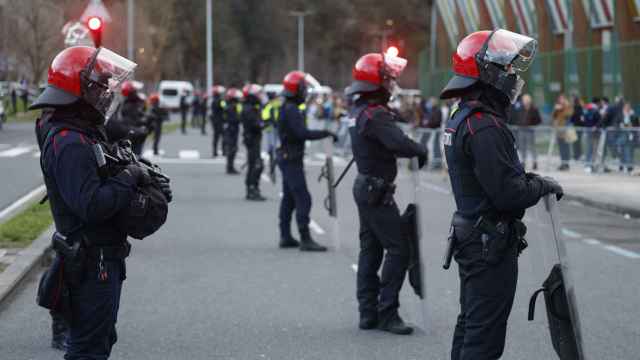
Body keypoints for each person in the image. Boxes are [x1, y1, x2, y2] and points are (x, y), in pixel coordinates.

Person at [439, 29, 564, 359]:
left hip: (473, 234)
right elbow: (508, 194)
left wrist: (530, 179)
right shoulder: (484, 124)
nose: (512, 76)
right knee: (483, 335)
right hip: (486, 240)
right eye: (507, 68)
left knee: (471, 323)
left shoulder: (464, 116)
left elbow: (497, 177)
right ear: (487, 71)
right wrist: (542, 186)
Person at [29, 45, 146, 360]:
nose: (106, 92)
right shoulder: (70, 141)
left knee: (98, 342)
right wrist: (130, 177)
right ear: (78, 89)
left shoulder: (82, 132)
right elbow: (91, 205)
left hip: (101, 259)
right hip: (92, 262)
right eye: (100, 85)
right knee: (87, 352)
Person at [346, 52, 428, 335]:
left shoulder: (359, 110)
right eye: (388, 78)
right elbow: (399, 143)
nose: (391, 82)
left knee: (371, 251)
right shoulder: (376, 114)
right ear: (376, 82)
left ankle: (367, 313)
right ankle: (387, 313)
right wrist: (420, 150)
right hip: (375, 190)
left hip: (366, 187)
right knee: (399, 249)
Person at [277, 71, 336, 251]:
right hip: (291, 159)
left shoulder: (288, 107)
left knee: (289, 198)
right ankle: (305, 238)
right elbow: (302, 134)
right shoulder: (292, 110)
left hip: (288, 156)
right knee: (303, 198)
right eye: (303, 89)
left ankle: (285, 236)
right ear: (296, 90)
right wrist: (325, 133)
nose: (305, 92)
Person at [241, 84, 266, 200]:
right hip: (252, 139)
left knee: (256, 164)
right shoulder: (249, 108)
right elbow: (255, 124)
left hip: (254, 138)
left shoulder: (253, 107)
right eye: (258, 94)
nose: (260, 96)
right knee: (256, 165)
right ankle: (251, 189)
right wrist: (264, 124)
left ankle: (253, 188)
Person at [517, 94, 542, 170]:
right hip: (521, 130)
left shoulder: (534, 109)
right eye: (524, 100)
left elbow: (539, 120)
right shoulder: (520, 108)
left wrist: (533, 124)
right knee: (522, 147)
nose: (525, 101)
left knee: (532, 147)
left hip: (530, 130)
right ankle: (523, 162)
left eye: (527, 100)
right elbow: (517, 117)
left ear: (530, 100)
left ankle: (535, 162)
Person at [262, 91, 281, 181]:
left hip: (271, 128)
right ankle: (273, 166)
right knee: (274, 148)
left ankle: (272, 166)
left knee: (272, 148)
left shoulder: (269, 105)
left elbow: (267, 117)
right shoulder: (275, 104)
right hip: (274, 127)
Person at [223, 88, 243, 174]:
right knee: (232, 148)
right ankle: (230, 167)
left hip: (231, 129)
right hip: (231, 130)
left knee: (232, 148)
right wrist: (240, 118)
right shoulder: (231, 107)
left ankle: (230, 166)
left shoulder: (230, 106)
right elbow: (234, 119)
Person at [552, 93, 574, 170]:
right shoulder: (557, 107)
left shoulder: (567, 106)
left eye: (562, 99)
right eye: (559, 99)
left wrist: (562, 108)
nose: (560, 100)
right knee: (561, 147)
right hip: (559, 129)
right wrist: (556, 109)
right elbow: (553, 116)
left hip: (565, 130)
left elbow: (569, 114)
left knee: (566, 147)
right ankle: (562, 162)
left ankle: (566, 163)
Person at [617, 102, 638, 173]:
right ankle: (621, 165)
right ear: (624, 108)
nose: (627, 109)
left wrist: (632, 126)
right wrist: (620, 125)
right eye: (626, 107)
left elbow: (637, 125)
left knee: (629, 151)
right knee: (621, 151)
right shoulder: (620, 115)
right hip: (621, 135)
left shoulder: (633, 116)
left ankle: (629, 166)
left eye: (629, 107)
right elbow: (616, 123)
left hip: (630, 136)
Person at [210, 85, 226, 157]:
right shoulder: (221, 101)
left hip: (215, 121)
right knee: (224, 136)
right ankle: (224, 151)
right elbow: (225, 108)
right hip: (220, 121)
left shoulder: (213, 101)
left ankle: (214, 152)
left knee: (216, 137)